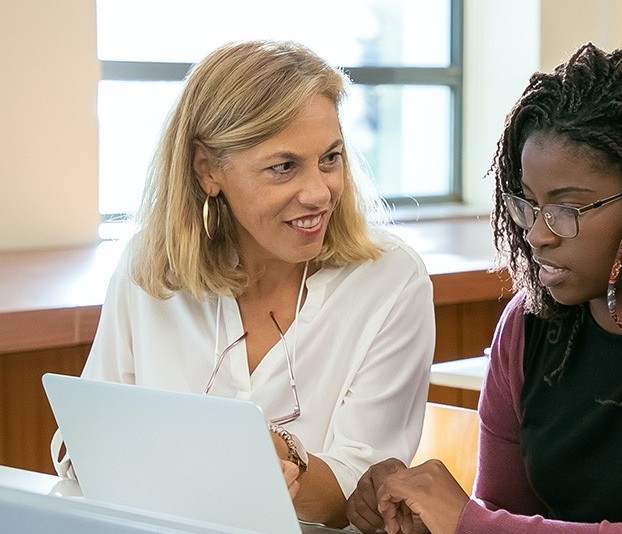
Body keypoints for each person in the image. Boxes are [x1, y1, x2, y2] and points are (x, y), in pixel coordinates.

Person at [346, 43, 622, 533]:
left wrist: (471, 524)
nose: (537, 234)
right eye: (527, 203)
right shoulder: (528, 325)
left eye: (567, 209)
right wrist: (425, 520)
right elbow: (503, 515)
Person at [51, 40, 435, 528]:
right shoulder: (150, 267)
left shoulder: (391, 280)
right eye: (284, 167)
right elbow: (83, 440)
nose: (319, 192)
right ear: (208, 169)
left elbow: (362, 496)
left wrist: (284, 464)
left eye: (331, 158)